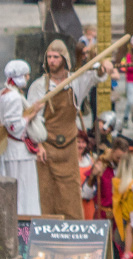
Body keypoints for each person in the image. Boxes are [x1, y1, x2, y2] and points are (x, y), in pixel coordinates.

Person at [26, 40, 115, 219]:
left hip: (69, 147)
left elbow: (96, 75)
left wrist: (104, 66)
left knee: (71, 192)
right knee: (46, 192)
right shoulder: (38, 86)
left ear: (64, 59)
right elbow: (32, 120)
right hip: (46, 147)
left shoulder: (76, 80)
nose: (52, 61)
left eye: (56, 57)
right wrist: (39, 146)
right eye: (49, 57)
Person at [0, 60, 45, 216]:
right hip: (17, 154)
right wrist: (31, 114)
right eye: (26, 75)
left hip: (17, 152)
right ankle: (23, 228)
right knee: (23, 193)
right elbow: (14, 127)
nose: (27, 78)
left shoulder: (7, 93)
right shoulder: (12, 97)